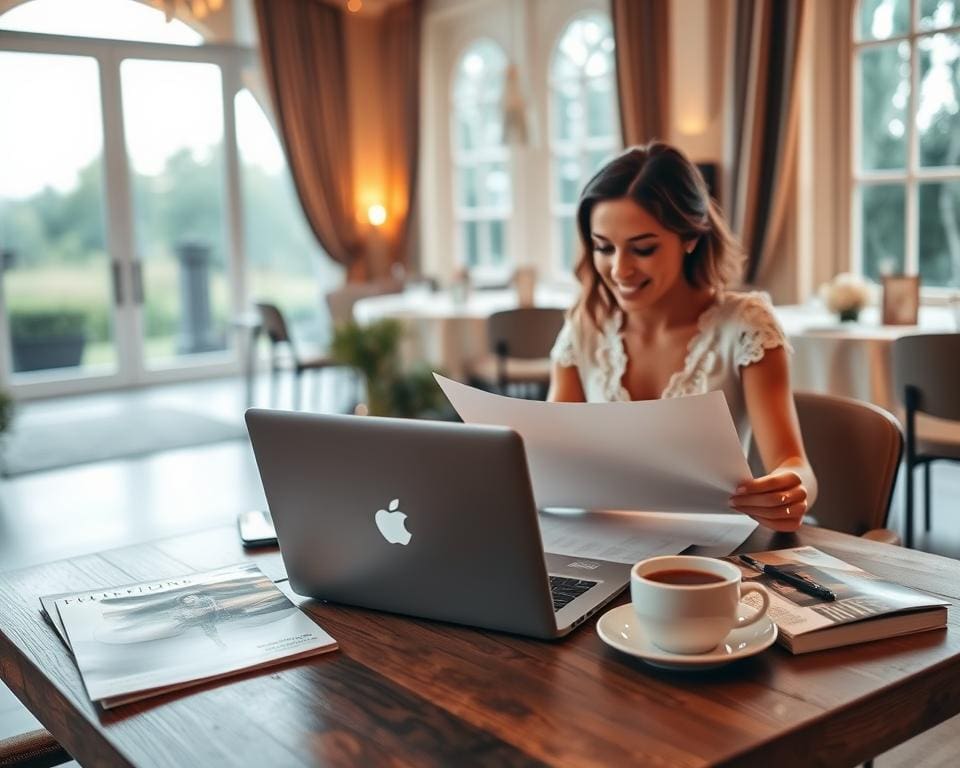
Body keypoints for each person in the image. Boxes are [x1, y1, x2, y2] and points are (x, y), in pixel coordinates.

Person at [548, 142, 816, 532]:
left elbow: (795, 463)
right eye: (603, 247)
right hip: (603, 540)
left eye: (643, 248)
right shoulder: (584, 326)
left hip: (711, 548)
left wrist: (791, 490)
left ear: (690, 237)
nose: (620, 269)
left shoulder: (746, 325)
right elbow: (550, 455)